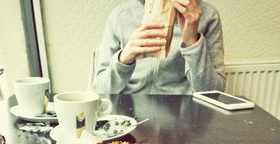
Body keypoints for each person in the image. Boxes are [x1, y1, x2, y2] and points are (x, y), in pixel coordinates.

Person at [92, 0, 225, 94]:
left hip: (180, 117)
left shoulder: (207, 16)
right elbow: (101, 89)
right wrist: (123, 59)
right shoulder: (120, 15)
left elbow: (214, 94)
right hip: (127, 113)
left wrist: (192, 42)